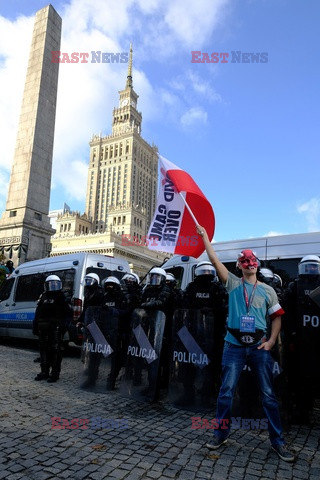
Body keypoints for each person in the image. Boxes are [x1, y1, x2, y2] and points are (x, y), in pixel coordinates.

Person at [196, 225, 295, 463]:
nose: (250, 263)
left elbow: (277, 317)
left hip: (259, 347)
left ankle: (277, 442)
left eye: (253, 260)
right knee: (225, 393)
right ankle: (220, 434)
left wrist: (271, 341)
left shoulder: (268, 291)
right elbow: (213, 259)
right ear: (239, 265)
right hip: (233, 347)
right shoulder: (231, 283)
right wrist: (205, 238)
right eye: (245, 260)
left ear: (257, 265)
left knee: (268, 395)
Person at [282, 255, 320, 424]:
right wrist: (292, 334)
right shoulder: (294, 287)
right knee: (297, 377)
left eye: (314, 267)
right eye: (308, 267)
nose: (310, 270)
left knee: (312, 377)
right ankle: (299, 410)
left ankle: (307, 410)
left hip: (314, 341)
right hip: (299, 342)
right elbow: (287, 314)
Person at [33, 275, 72, 383]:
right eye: (51, 284)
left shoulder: (62, 297)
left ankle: (54, 373)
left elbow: (68, 313)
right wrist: (35, 326)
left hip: (55, 327)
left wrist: (64, 326)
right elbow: (38, 312)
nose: (53, 287)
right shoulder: (43, 296)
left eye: (55, 284)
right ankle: (44, 371)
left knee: (55, 351)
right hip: (43, 326)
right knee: (43, 350)